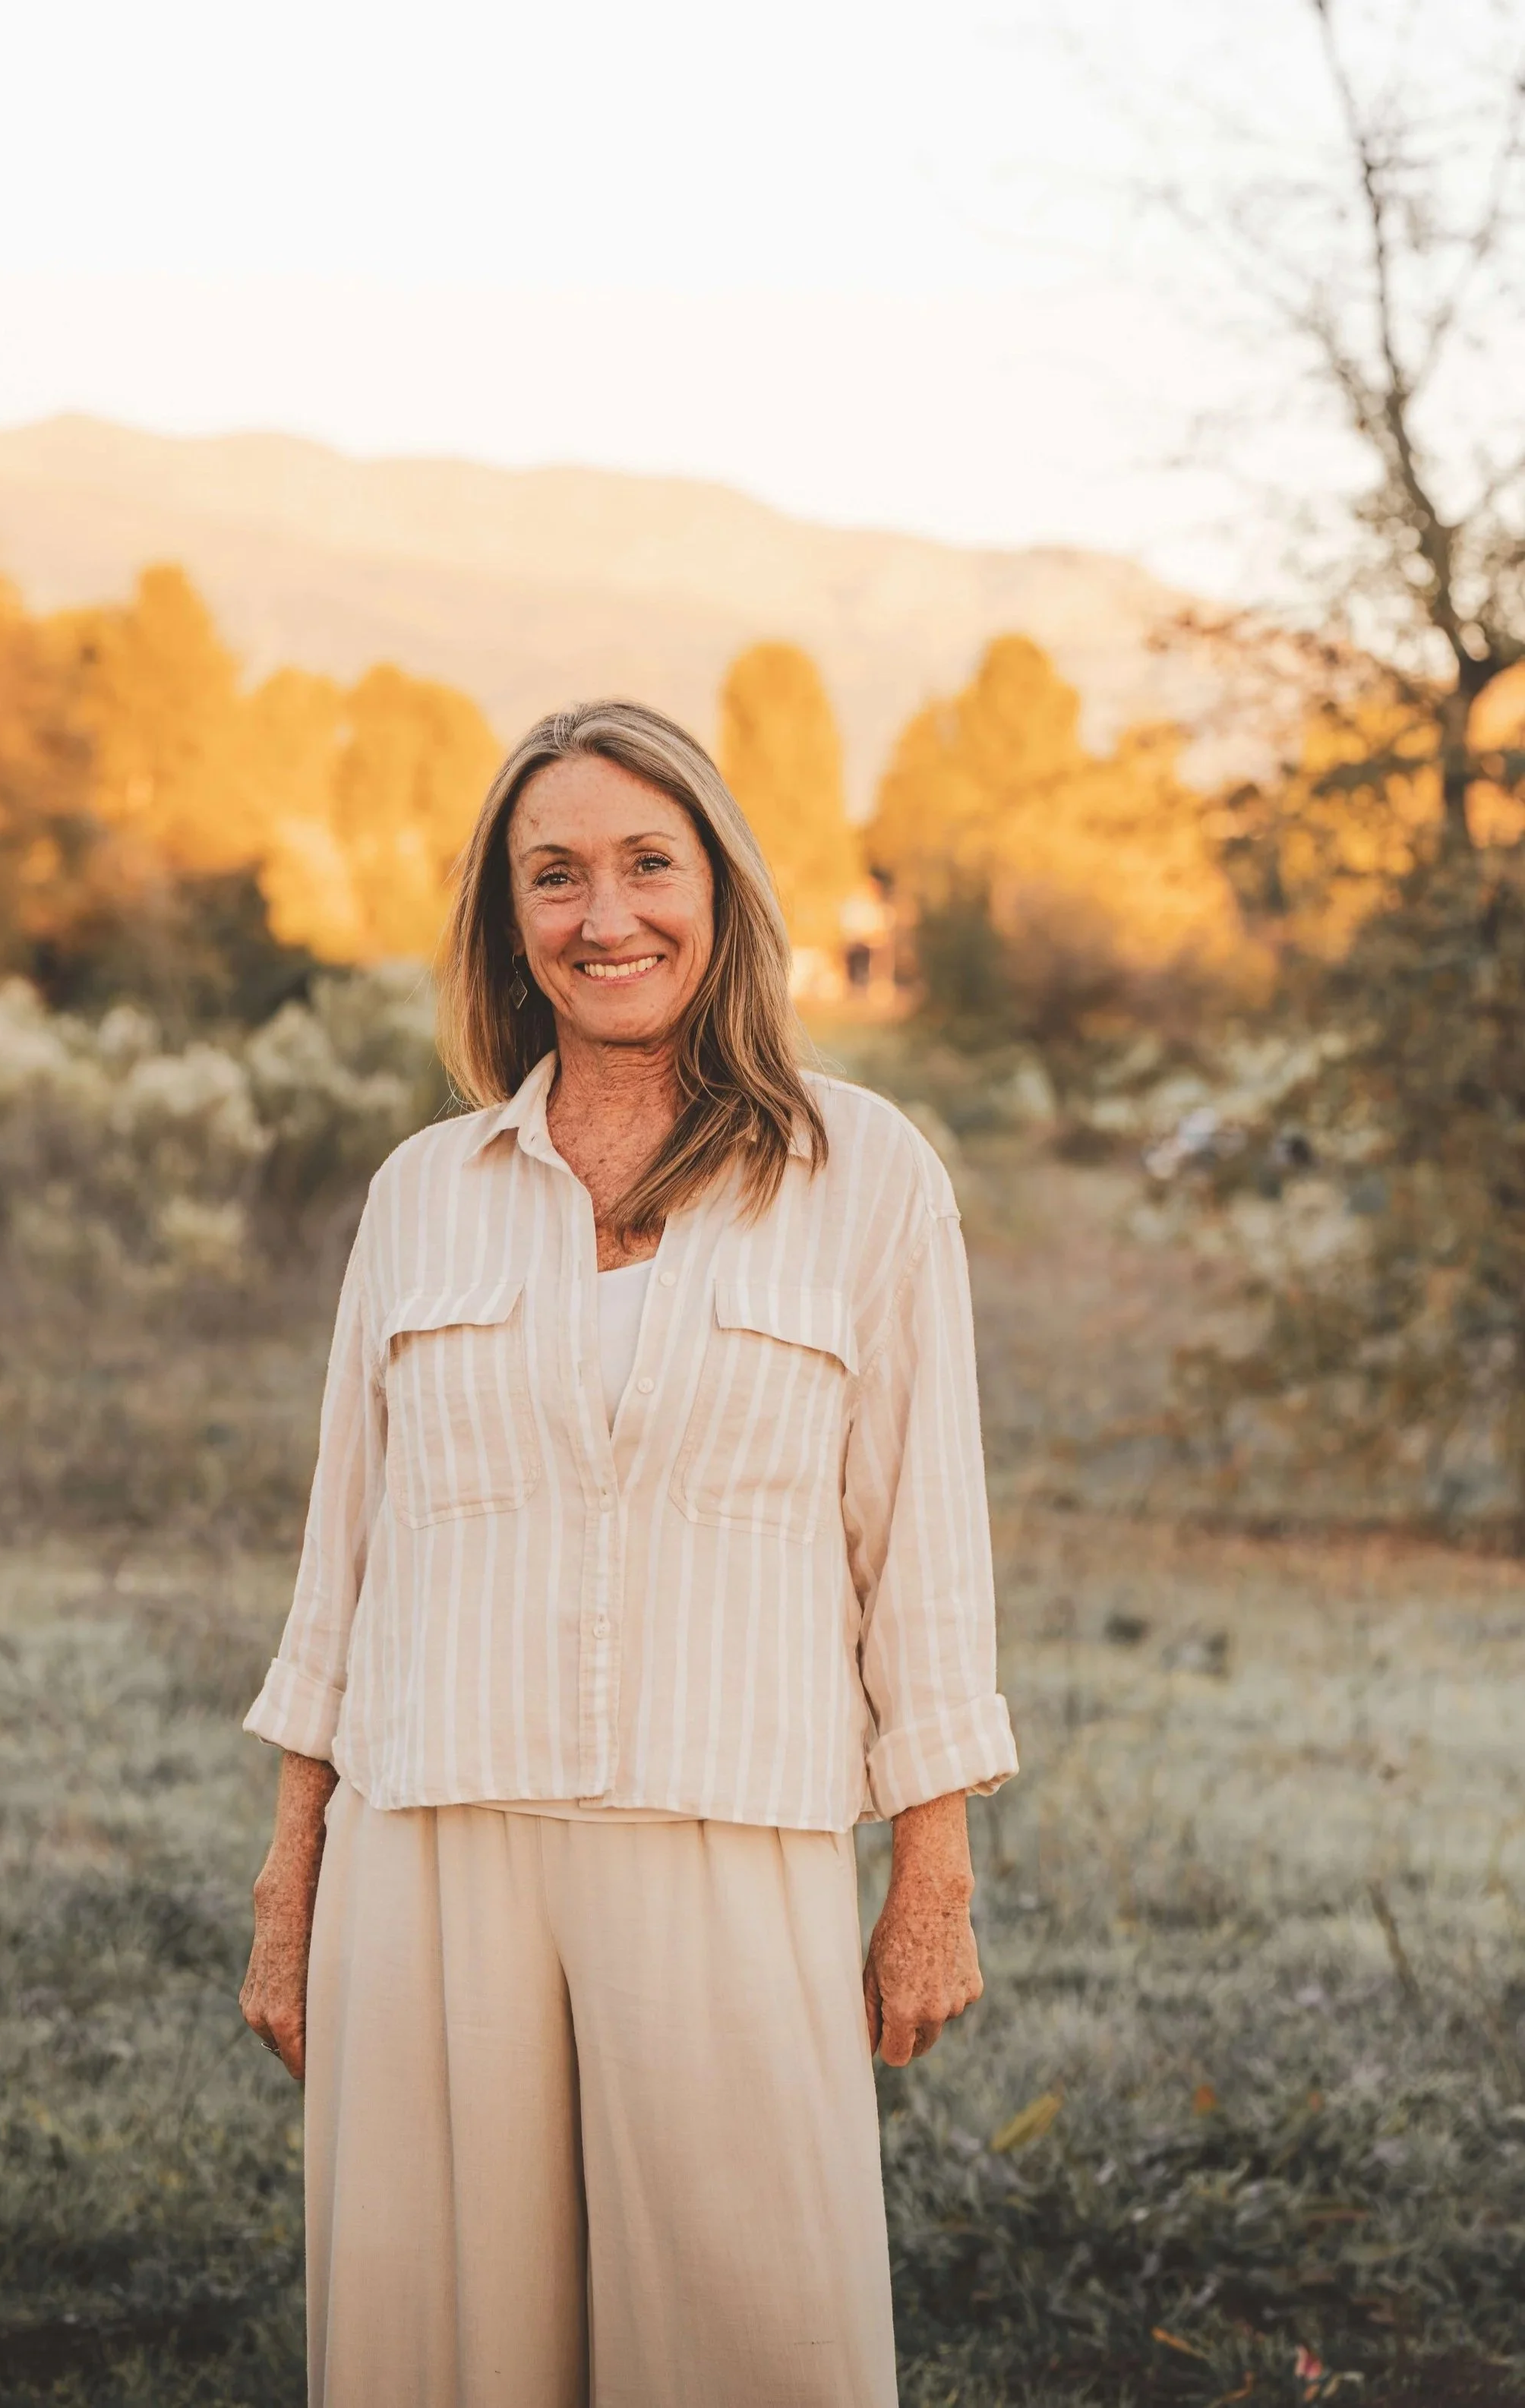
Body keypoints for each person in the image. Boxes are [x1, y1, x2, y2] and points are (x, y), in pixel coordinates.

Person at [239, 699, 1018, 2407]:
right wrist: (293, 1882)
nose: (607, 917)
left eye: (646, 863)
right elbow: (343, 1559)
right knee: (440, 2355)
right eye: (554, 876)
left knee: (757, 2344)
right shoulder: (419, 1194)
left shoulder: (860, 1173)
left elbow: (922, 1543)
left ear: (720, 890)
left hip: (728, 1834)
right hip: (431, 1842)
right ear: (508, 924)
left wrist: (934, 1878)